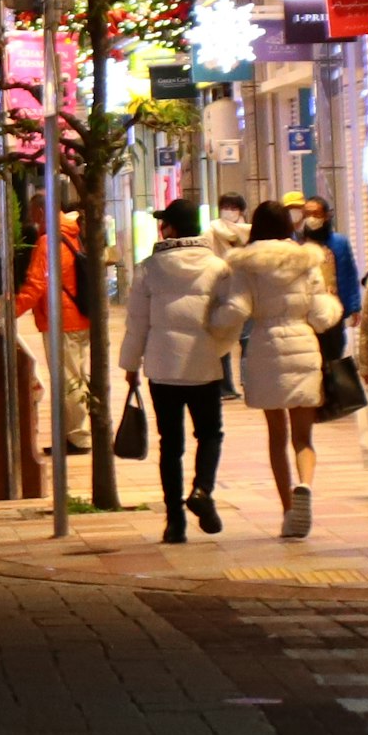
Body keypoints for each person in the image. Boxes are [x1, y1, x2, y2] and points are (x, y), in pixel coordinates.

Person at [117, 199, 246, 546]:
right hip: (204, 365)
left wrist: (130, 366)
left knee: (170, 445)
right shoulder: (218, 268)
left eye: (165, 223)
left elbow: (136, 323)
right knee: (210, 434)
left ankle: (174, 521)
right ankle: (202, 490)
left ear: (172, 228)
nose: (161, 229)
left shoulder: (148, 268)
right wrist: (217, 344)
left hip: (162, 369)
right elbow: (230, 312)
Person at [226, 208, 345, 538]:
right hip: (303, 345)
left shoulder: (246, 264)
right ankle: (304, 485)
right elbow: (322, 315)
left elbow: (237, 309)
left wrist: (215, 326)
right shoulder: (307, 261)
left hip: (265, 347)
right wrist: (333, 307)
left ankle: (288, 512)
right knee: (303, 437)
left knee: (276, 437)